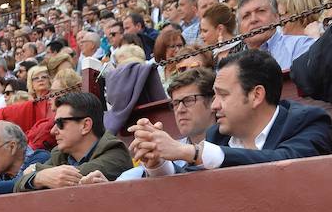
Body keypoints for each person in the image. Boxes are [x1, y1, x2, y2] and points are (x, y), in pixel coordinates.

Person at [131, 49, 332, 170]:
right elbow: (190, 183)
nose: (215, 105)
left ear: (256, 95)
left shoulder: (309, 123)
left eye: (223, 95)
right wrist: (157, 164)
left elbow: (284, 164)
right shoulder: (216, 136)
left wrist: (192, 153)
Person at [13, 92, 131, 191]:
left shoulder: (116, 152)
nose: (53, 131)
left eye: (60, 123)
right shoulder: (59, 155)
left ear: (85, 125)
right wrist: (39, 178)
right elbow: (17, 185)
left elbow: (74, 175)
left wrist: (36, 170)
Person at [123, 68, 215, 179]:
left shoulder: (234, 142)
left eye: (189, 100)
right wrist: (156, 163)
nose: (180, 109)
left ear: (212, 103)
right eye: (176, 103)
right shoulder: (166, 148)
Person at [237, 0, 315, 69]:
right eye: (246, 16)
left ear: (276, 17)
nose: (253, 19)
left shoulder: (300, 46)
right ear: (239, 28)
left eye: (261, 11)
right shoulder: (234, 64)